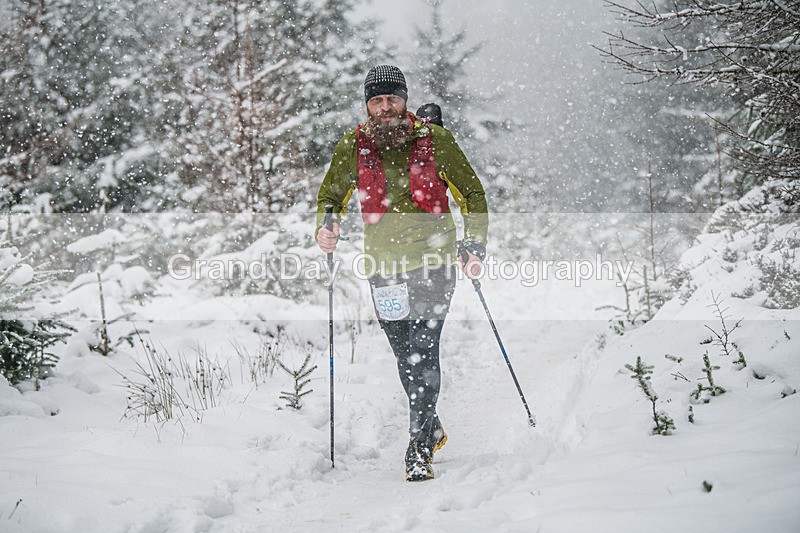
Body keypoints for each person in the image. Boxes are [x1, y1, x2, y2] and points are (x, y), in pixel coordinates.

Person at [315, 65, 488, 481]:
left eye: (392, 98)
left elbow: (473, 194)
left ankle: (418, 446)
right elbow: (330, 195)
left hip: (435, 262)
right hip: (383, 269)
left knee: (423, 349)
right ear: (368, 106)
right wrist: (326, 224)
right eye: (377, 100)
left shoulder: (436, 141)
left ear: (405, 101)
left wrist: (474, 243)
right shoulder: (353, 146)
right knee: (404, 354)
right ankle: (431, 423)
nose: (385, 107)